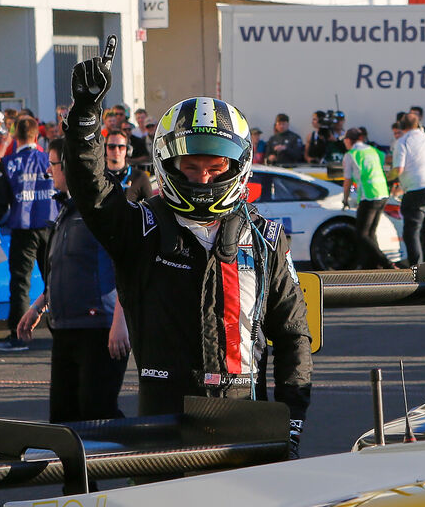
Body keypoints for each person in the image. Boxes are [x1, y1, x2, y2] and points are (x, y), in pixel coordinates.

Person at [63, 58, 312, 458]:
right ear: (169, 164)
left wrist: (291, 420)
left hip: (247, 412)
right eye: (191, 167)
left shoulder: (265, 238)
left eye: (215, 168)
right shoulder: (140, 228)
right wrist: (85, 118)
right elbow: (91, 188)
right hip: (165, 416)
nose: (203, 178)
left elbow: (292, 335)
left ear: (238, 166)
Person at [16, 138, 129, 423]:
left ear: (69, 166)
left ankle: (125, 463)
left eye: (52, 165)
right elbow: (62, 265)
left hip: (99, 328)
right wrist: (39, 305)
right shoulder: (67, 209)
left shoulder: (103, 207)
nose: (49, 172)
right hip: (66, 327)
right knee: (63, 416)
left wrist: (120, 322)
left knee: (97, 414)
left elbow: (128, 265)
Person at [0, 115, 57, 353]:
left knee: (20, 282)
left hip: (24, 230)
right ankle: (62, 328)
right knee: (54, 279)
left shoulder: (10, 163)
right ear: (37, 136)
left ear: (15, 137)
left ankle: (19, 334)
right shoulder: (49, 159)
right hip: (51, 226)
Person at [392, 114, 425, 266]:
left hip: (417, 188)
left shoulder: (402, 141)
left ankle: (417, 268)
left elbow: (398, 169)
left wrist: (387, 178)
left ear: (401, 126)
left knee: (412, 231)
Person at [342, 127, 394, 269]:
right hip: (383, 192)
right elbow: (386, 160)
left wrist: (345, 199)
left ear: (348, 140)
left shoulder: (351, 155)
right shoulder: (372, 150)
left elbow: (347, 180)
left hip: (369, 195)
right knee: (371, 232)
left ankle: (387, 263)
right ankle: (373, 265)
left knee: (362, 234)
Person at [104, 130, 153, 201]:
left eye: (121, 147)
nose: (116, 151)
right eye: (112, 147)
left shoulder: (140, 177)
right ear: (105, 149)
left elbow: (150, 208)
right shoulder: (98, 177)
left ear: (128, 150)